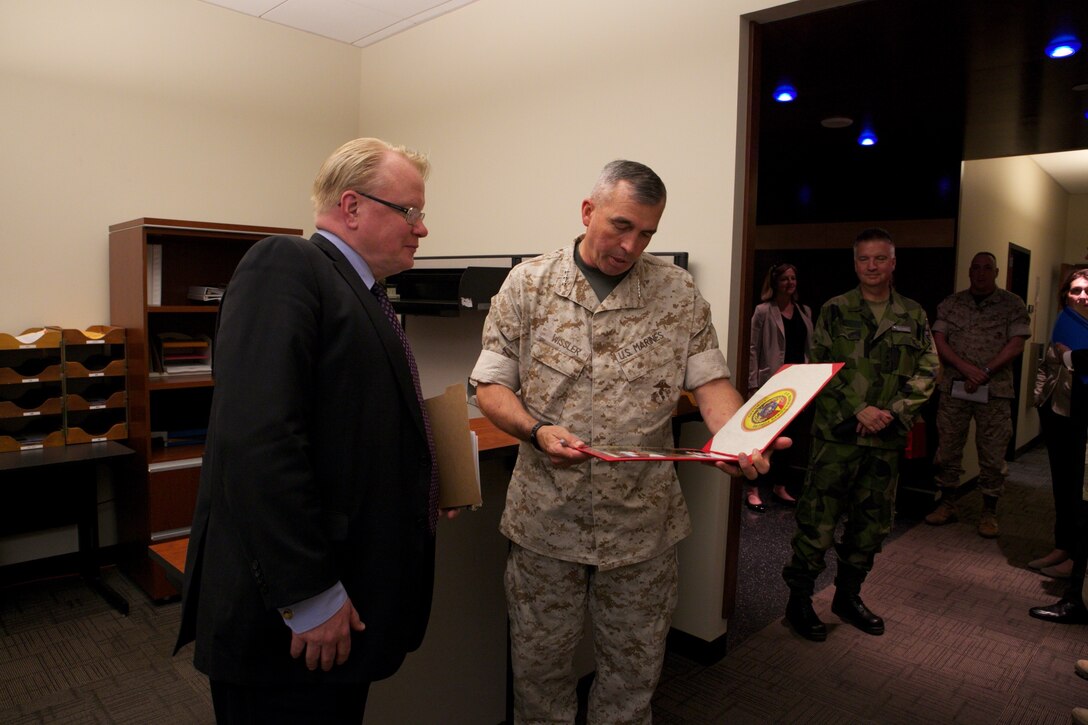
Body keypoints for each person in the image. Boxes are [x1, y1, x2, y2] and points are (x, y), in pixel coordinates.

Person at [469, 159, 784, 724]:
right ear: (588, 211)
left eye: (646, 234)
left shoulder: (676, 292)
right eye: (620, 225)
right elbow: (490, 386)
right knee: (539, 678)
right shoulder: (529, 285)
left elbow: (710, 382)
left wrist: (741, 437)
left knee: (632, 682)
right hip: (547, 523)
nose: (630, 245)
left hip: (643, 528)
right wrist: (536, 430)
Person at [175, 138, 451, 724]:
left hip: (345, 605)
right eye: (410, 212)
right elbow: (259, 443)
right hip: (293, 614)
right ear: (351, 207)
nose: (422, 229)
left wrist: (426, 482)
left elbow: (348, 428)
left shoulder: (367, 295)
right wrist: (310, 596)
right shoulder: (286, 264)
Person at [782, 228, 938, 642]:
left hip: (884, 441)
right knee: (818, 523)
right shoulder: (835, 310)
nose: (872, 266)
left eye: (880, 259)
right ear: (855, 265)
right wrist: (859, 409)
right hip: (838, 438)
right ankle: (798, 600)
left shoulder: (913, 314)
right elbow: (818, 367)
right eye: (864, 260)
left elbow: (928, 370)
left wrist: (893, 412)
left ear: (893, 262)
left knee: (871, 526)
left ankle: (847, 596)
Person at [923, 252, 1030, 539]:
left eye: (987, 268)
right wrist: (964, 368)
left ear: (995, 272)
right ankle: (948, 504)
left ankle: (989, 512)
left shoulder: (1012, 304)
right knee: (947, 451)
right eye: (976, 268)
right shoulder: (951, 303)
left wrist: (983, 371)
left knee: (993, 456)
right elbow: (939, 340)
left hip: (994, 392)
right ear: (969, 271)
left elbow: (1016, 344)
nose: (981, 273)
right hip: (955, 389)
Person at [1028, 271, 1088, 624]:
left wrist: (1072, 359)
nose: (1081, 295)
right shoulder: (1064, 322)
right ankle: (1064, 550)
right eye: (1075, 290)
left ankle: (1075, 565)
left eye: (1086, 291)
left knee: (1080, 493)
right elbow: (1049, 367)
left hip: (1080, 414)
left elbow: (1077, 361)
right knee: (1065, 486)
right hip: (1061, 413)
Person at [747, 262, 814, 511]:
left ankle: (780, 486)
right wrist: (752, 384)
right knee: (764, 438)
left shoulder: (804, 311)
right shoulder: (764, 311)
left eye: (793, 278)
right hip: (770, 383)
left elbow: (810, 347)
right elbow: (752, 348)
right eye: (784, 278)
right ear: (774, 282)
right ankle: (753, 490)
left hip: (797, 384)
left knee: (789, 438)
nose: (790, 283)